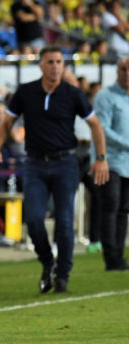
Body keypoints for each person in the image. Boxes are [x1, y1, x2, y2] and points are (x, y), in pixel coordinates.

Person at [0, 46, 109, 294]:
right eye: (50, 62)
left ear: (64, 67)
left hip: (66, 163)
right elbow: (7, 121)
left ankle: (63, 275)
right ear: (41, 66)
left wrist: (101, 158)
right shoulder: (26, 92)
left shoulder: (73, 94)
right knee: (33, 220)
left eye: (58, 62)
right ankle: (47, 263)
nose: (55, 66)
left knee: (65, 222)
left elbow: (95, 125)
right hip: (34, 163)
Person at [92, 57, 129, 271]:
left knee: (123, 209)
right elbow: (102, 129)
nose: (127, 73)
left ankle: (119, 255)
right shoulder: (105, 96)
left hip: (128, 162)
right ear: (117, 71)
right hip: (109, 160)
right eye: (124, 69)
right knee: (111, 205)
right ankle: (110, 257)